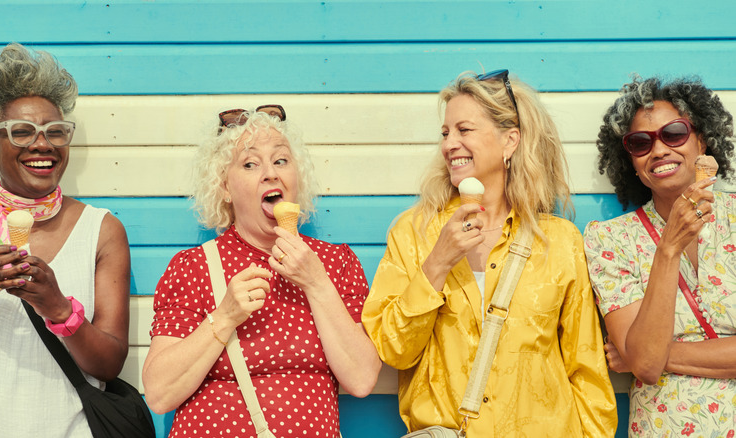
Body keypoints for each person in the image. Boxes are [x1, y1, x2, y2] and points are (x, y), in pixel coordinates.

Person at [362, 70, 618, 437]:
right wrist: (437, 262)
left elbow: (587, 368)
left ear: (510, 141)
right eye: (446, 133)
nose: (450, 144)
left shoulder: (559, 241)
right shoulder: (414, 231)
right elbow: (393, 349)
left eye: (464, 130)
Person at [142, 106, 381, 437]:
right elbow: (159, 393)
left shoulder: (335, 262)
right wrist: (223, 317)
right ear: (224, 187)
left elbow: (362, 378)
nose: (270, 173)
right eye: (250, 164)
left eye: (280, 160)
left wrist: (316, 283)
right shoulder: (193, 267)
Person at [0, 44, 131, 436]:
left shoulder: (101, 229)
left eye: (55, 131)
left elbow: (108, 364)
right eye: (21, 132)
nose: (43, 144)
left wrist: (58, 308)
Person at [584, 76, 736, 436]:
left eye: (674, 133)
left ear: (702, 139)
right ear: (631, 162)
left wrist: (646, 355)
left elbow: (644, 359)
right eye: (640, 142)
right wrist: (667, 250)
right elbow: (648, 367)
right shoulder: (610, 240)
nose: (659, 150)